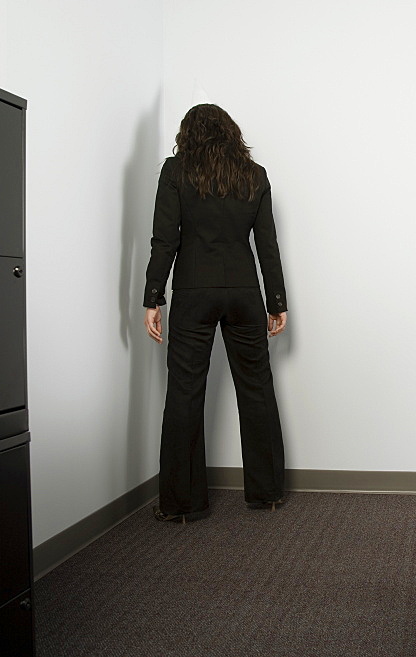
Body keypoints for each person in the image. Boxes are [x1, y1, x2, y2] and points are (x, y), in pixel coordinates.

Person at [143, 103, 288, 522]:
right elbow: (268, 246)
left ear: (189, 135)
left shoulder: (176, 172)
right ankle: (267, 493)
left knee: (185, 393)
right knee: (257, 389)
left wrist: (153, 297)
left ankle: (182, 504)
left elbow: (163, 239)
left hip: (193, 292)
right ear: (230, 133)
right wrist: (276, 302)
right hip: (244, 292)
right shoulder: (253, 174)